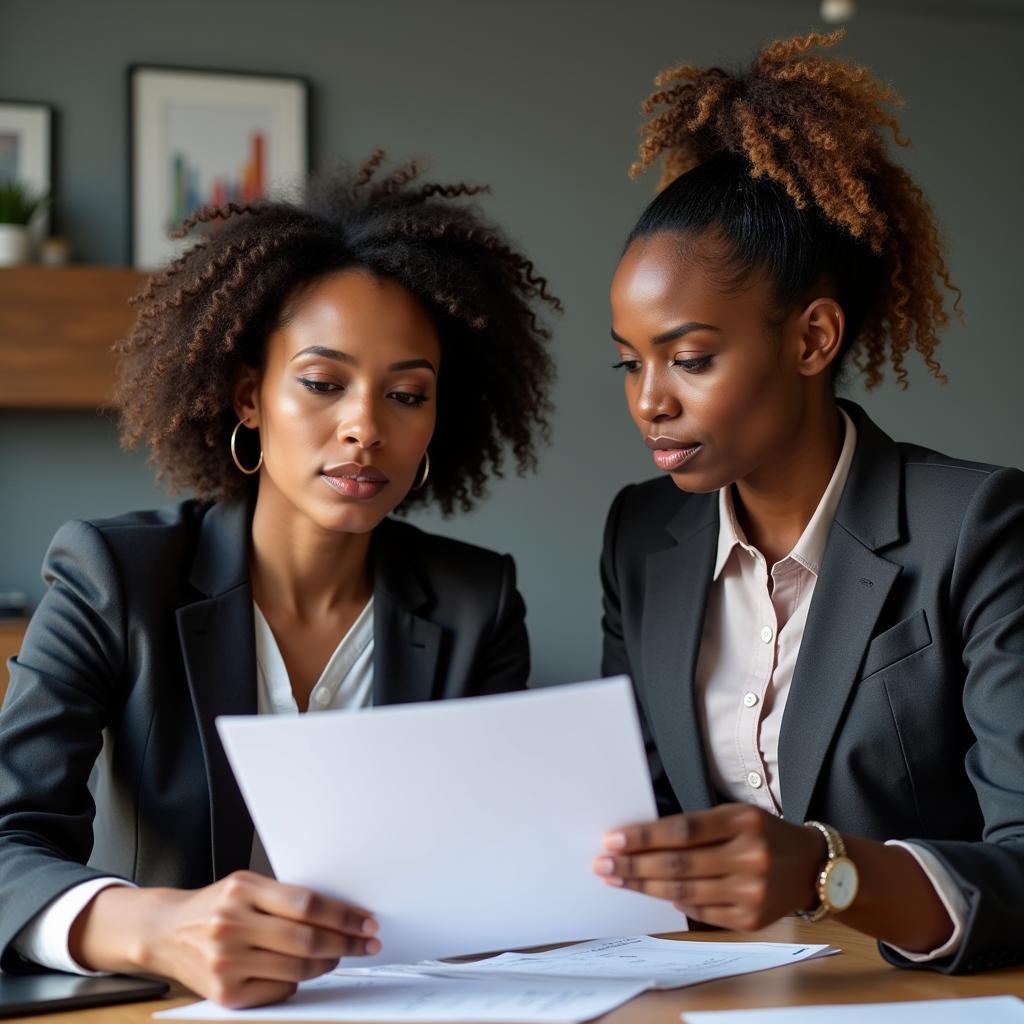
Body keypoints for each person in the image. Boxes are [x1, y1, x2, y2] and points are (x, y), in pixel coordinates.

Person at [0, 151, 558, 1007]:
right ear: (249, 395)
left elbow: (497, 865)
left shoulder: (475, 603)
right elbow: (7, 843)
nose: (364, 427)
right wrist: (161, 930)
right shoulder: (115, 576)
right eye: (323, 383)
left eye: (407, 395)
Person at [592, 31, 1024, 973]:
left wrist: (829, 872)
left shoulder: (977, 529)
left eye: (691, 359)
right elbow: (643, 820)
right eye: (630, 364)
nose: (649, 400)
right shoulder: (642, 538)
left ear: (813, 338)